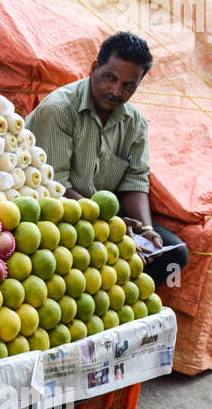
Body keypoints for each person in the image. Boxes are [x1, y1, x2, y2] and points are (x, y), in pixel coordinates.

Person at [24, 32, 188, 285]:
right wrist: (116, 229)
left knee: (174, 255)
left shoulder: (134, 123)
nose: (115, 91)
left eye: (127, 86)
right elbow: (55, 186)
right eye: (110, 78)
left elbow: (135, 181)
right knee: (92, 265)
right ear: (94, 68)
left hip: (107, 217)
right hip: (59, 215)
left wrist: (146, 230)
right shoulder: (58, 110)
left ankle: (125, 304)